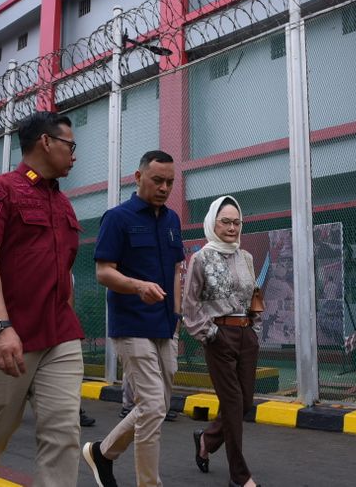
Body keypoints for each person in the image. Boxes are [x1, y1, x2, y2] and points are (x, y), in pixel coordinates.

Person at [0, 111, 85, 487]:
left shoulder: (64, 204)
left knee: (64, 432)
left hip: (59, 335)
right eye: (70, 145)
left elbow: (64, 272)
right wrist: (0, 327)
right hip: (7, 332)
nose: (75, 154)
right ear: (46, 141)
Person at [83, 150, 184, 487]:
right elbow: (103, 272)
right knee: (152, 406)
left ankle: (102, 453)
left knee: (158, 405)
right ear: (138, 177)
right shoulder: (117, 218)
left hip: (165, 325)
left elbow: (176, 270)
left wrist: (177, 315)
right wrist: (138, 286)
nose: (164, 188)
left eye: (170, 182)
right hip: (132, 325)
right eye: (157, 180)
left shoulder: (172, 220)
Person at [182, 196, 261, 487]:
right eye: (225, 222)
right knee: (232, 403)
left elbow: (254, 293)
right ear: (212, 223)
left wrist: (255, 327)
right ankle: (239, 476)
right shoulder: (201, 258)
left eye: (236, 222)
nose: (231, 228)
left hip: (246, 335)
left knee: (245, 403)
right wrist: (209, 334)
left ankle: (207, 439)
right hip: (219, 335)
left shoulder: (246, 257)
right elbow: (190, 304)